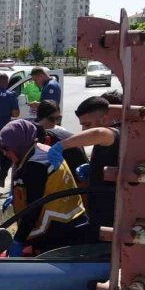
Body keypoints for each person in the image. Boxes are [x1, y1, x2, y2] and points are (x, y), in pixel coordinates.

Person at [0, 119, 88, 256]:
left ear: (18, 145)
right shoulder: (41, 149)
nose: (4, 153)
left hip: (56, 232)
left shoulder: (34, 167)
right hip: (72, 221)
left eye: (6, 148)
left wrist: (18, 240)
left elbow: (32, 210)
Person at [47, 96, 120, 241]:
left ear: (104, 120)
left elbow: (99, 133)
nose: (83, 130)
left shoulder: (115, 133)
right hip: (98, 210)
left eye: (87, 124)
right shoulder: (103, 141)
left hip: (111, 213)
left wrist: (61, 146)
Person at [35, 100, 88, 176]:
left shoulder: (63, 135)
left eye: (58, 118)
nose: (55, 122)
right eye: (51, 119)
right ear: (40, 118)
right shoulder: (32, 135)